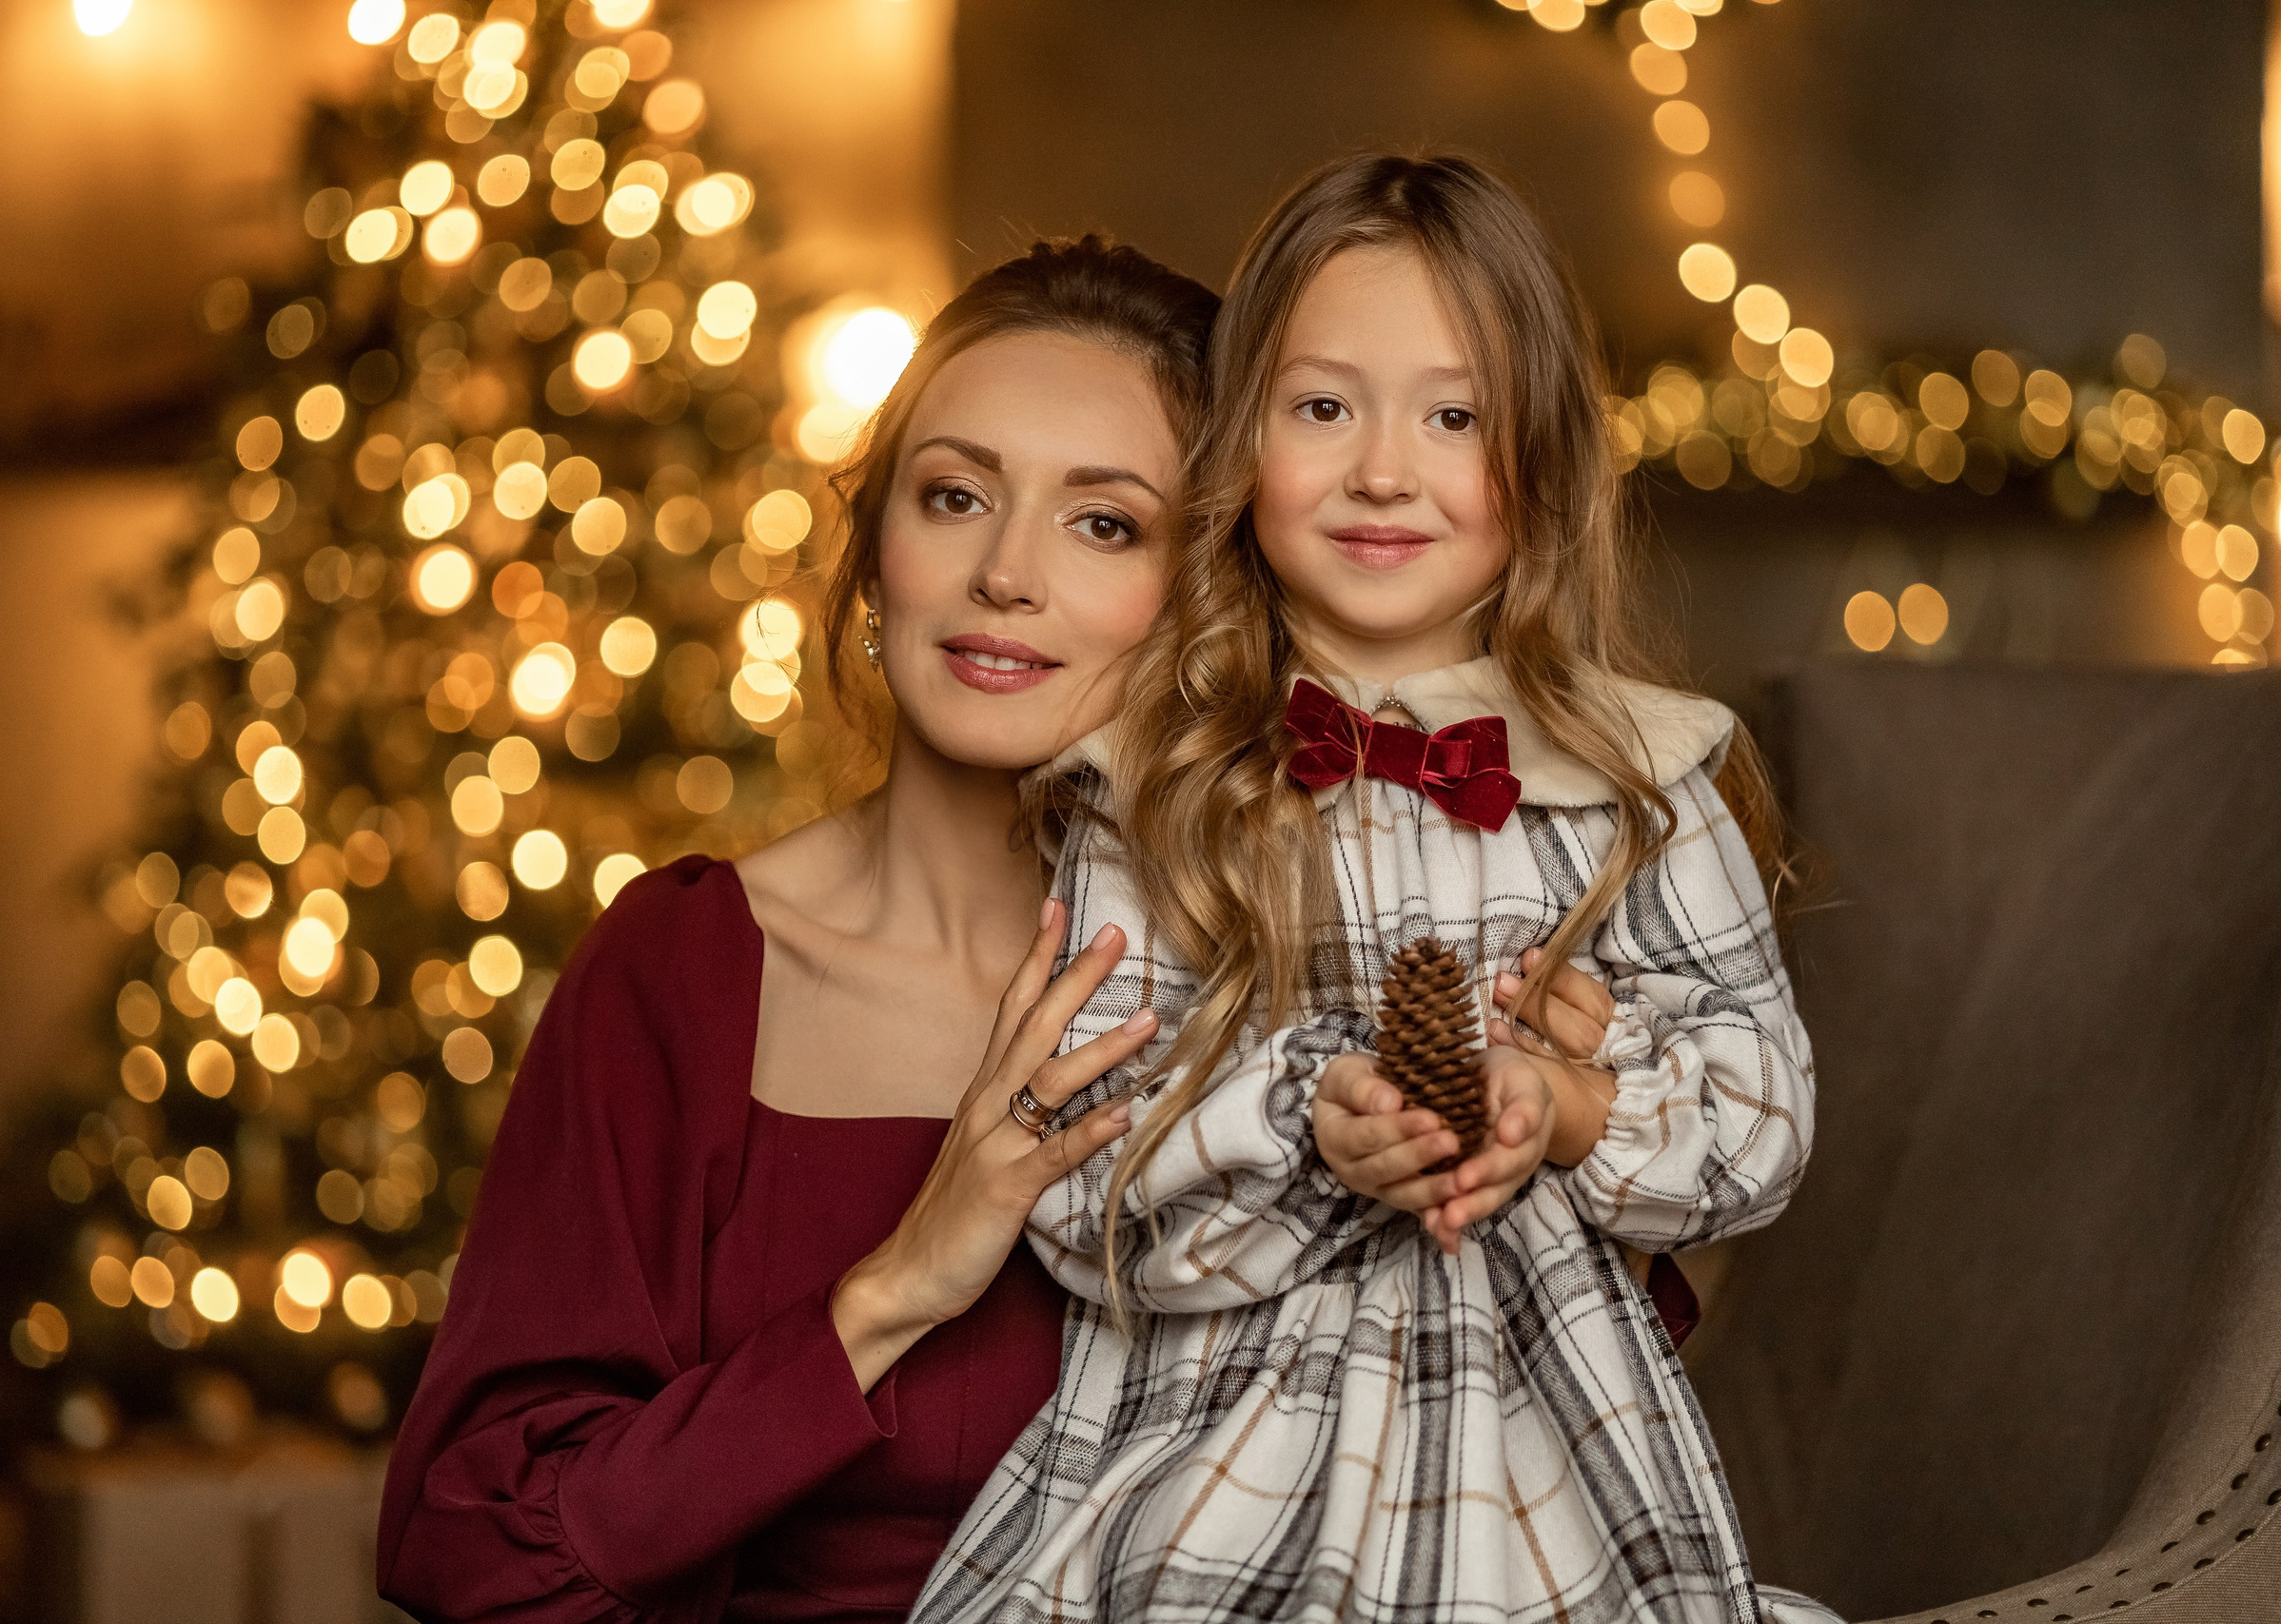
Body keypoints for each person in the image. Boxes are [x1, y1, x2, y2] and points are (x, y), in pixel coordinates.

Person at [916, 154, 1835, 1622]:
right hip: (1214, 1466)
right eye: (1322, 407)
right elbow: (1078, 1184)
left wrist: (1574, 1108)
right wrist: (1303, 1116)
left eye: (1454, 415)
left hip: (1552, 1488)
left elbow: (1765, 1112)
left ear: (1540, 454)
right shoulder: (1156, 787)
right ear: (1241, 446)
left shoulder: (1641, 782)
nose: (1385, 470)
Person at [375, 237, 1220, 1622]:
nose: (1006, 572)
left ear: (1206, 604)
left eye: (1104, 523)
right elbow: (472, 1553)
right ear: (878, 550)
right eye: (955, 497)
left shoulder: (1292, 978)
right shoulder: (689, 971)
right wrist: (888, 1295)